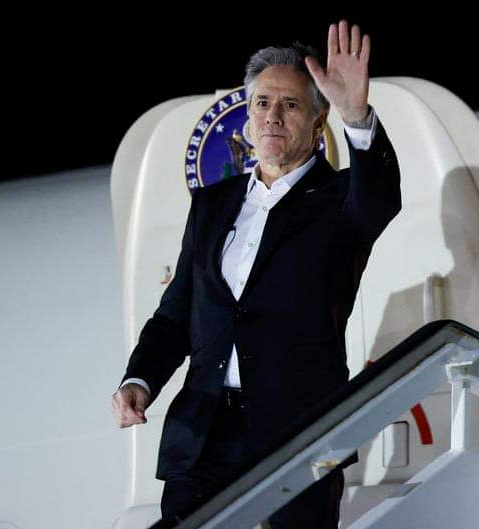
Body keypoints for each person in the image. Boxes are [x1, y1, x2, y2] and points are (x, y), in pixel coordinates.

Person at [110, 19, 400, 528]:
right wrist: (141, 377)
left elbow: (380, 197)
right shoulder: (212, 204)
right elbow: (178, 312)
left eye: (290, 105)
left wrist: (357, 116)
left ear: (319, 121)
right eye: (263, 103)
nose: (272, 116)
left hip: (298, 431)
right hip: (204, 431)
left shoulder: (340, 201)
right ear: (248, 114)